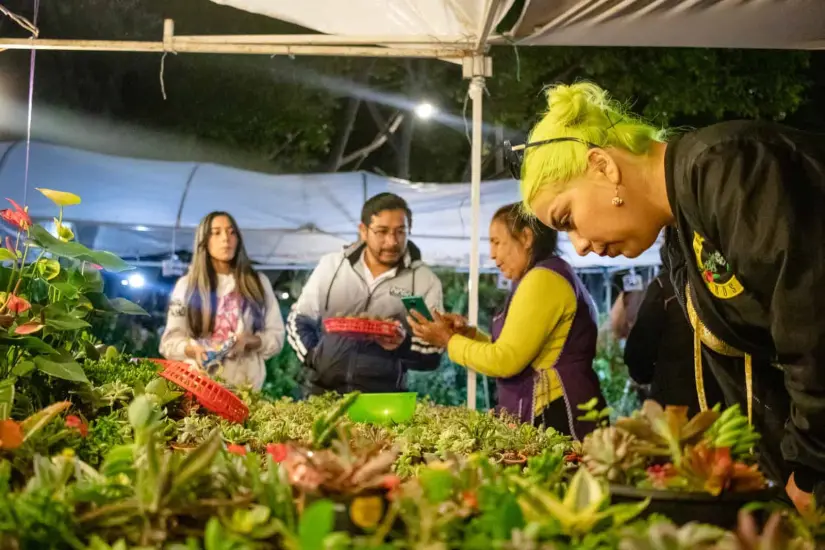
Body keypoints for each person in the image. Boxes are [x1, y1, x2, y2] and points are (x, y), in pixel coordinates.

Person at [517, 81, 825, 510]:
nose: (580, 245)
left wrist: (810, 469)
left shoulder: (727, 169)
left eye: (568, 218)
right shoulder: (680, 235)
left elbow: (813, 328)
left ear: (603, 165)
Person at [407, 203, 604, 438]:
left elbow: (505, 361)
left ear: (526, 237)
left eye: (497, 242)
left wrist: (448, 341)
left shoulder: (542, 280)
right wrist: (468, 335)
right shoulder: (547, 274)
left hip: (555, 413)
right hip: (561, 406)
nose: (492, 254)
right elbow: (514, 350)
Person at [286, 192, 443, 395]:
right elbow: (299, 318)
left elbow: (431, 351)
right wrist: (315, 356)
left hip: (383, 398)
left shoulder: (422, 281)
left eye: (400, 232)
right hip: (322, 392)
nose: (392, 242)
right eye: (382, 231)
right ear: (363, 230)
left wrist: (401, 344)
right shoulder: (333, 267)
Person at [160, 211, 285, 390]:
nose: (226, 238)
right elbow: (170, 342)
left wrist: (251, 341)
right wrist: (192, 349)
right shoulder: (187, 286)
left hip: (246, 387)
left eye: (231, 232)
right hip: (199, 385)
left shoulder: (258, 283)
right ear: (204, 240)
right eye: (216, 232)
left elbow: (276, 336)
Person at [624, 231, 724, 416]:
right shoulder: (724, 283)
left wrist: (646, 377)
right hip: (727, 401)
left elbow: (639, 352)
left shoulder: (663, 287)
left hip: (675, 407)